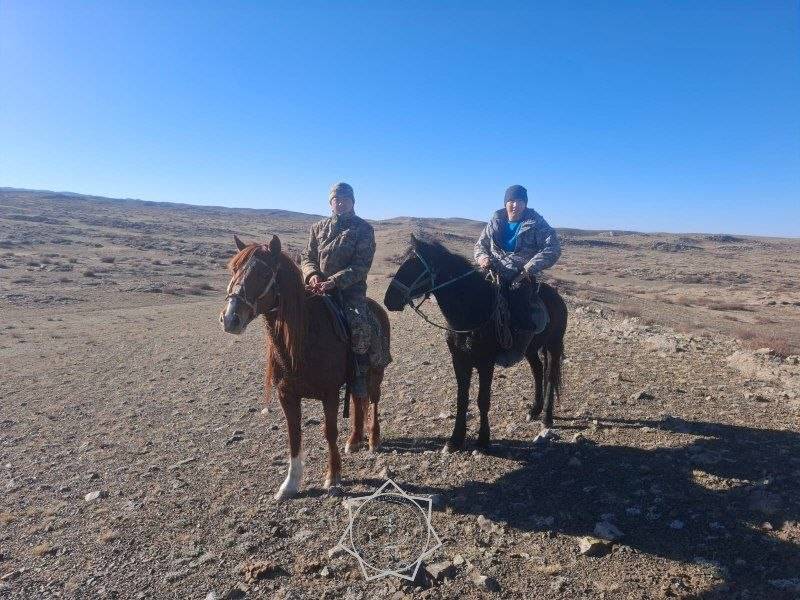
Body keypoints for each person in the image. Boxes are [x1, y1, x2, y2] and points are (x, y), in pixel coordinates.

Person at [300, 182, 377, 397]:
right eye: (336, 200)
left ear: (353, 202)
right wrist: (312, 274)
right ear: (331, 203)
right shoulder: (317, 228)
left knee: (359, 324)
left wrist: (334, 281)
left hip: (349, 290)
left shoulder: (363, 229)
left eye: (345, 199)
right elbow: (307, 256)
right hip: (316, 287)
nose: (340, 203)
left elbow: (361, 265)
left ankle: (360, 373)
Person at [474, 184, 561, 367]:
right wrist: (482, 258)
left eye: (519, 201)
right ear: (505, 203)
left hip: (520, 275)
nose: (515, 205)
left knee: (520, 303)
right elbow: (481, 245)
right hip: (492, 270)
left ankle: (516, 349)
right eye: (511, 201)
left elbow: (552, 248)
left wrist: (529, 268)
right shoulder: (496, 219)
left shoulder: (536, 222)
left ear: (525, 204)